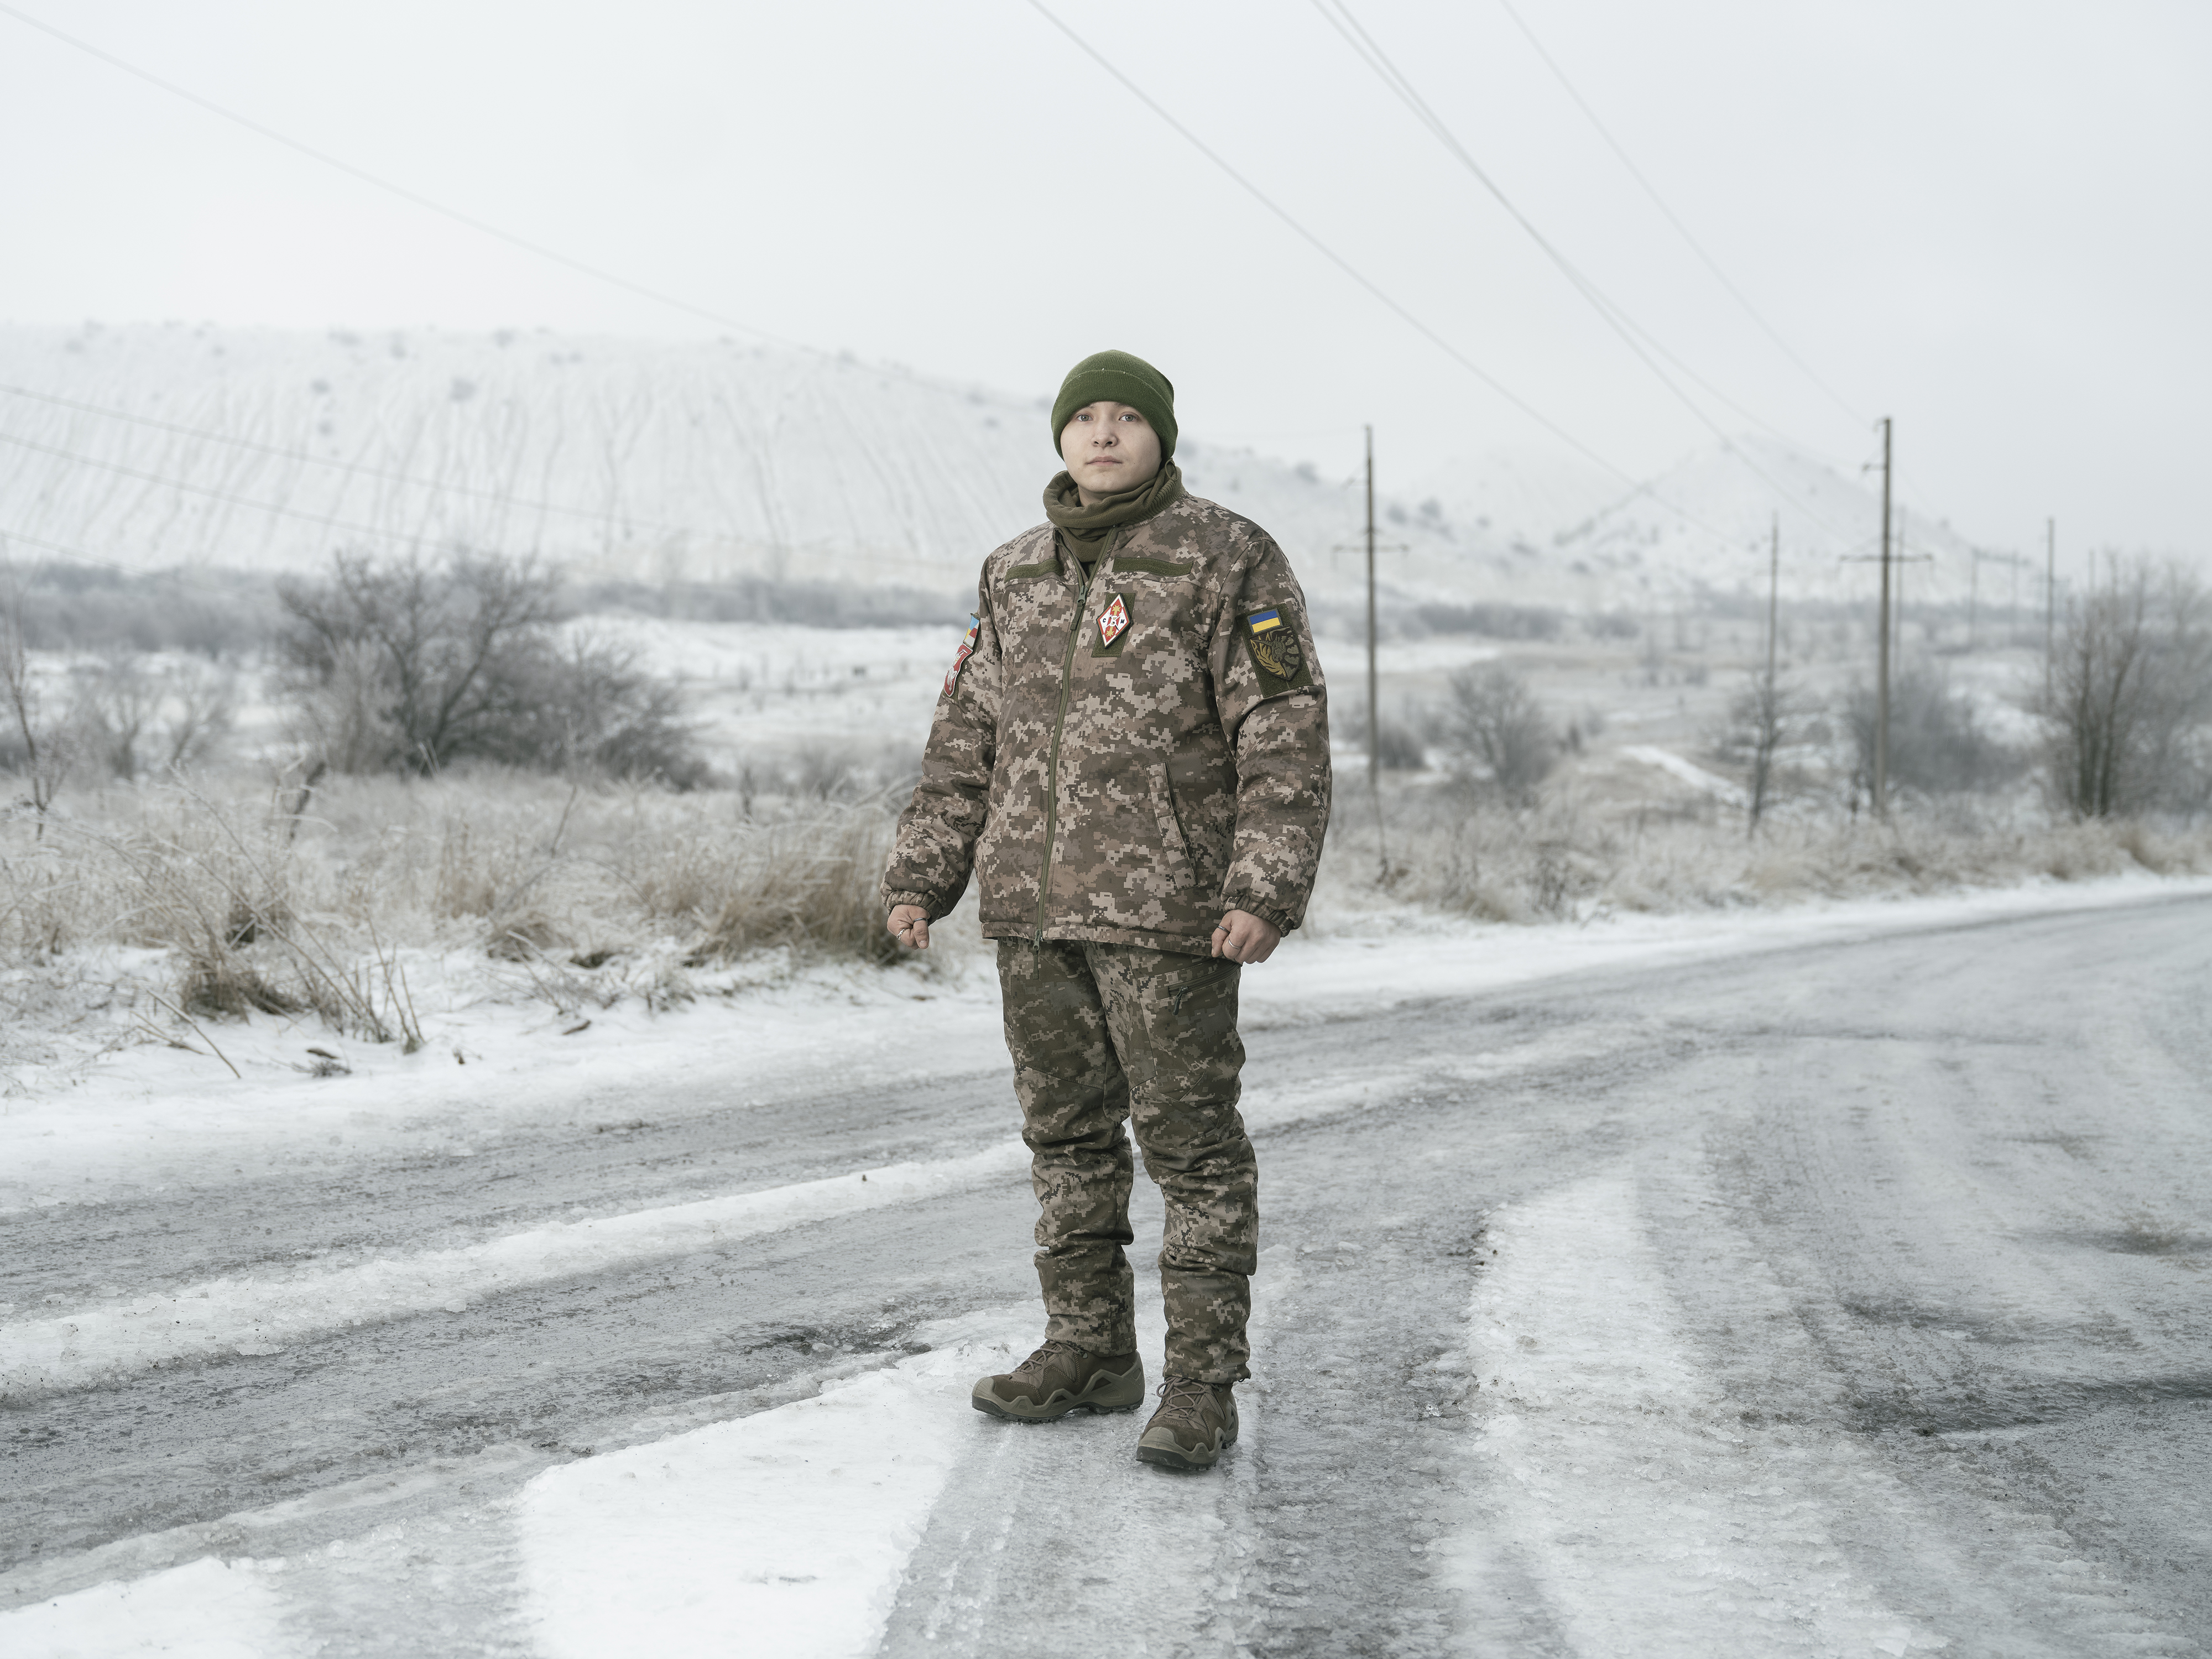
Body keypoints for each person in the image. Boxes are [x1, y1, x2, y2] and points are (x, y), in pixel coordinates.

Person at [881, 348, 1331, 1472]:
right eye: (1082, 416)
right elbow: (965, 741)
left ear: (1160, 437)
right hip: (1034, 913)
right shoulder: (1014, 572)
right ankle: (1087, 1350)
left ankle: (1198, 1387)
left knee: (1192, 1154)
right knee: (1067, 1142)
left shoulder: (1226, 556)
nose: (1100, 434)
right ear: (1058, 438)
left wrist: (1264, 888)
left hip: (1171, 914)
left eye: (1124, 417)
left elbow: (1281, 731)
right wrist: (921, 876)